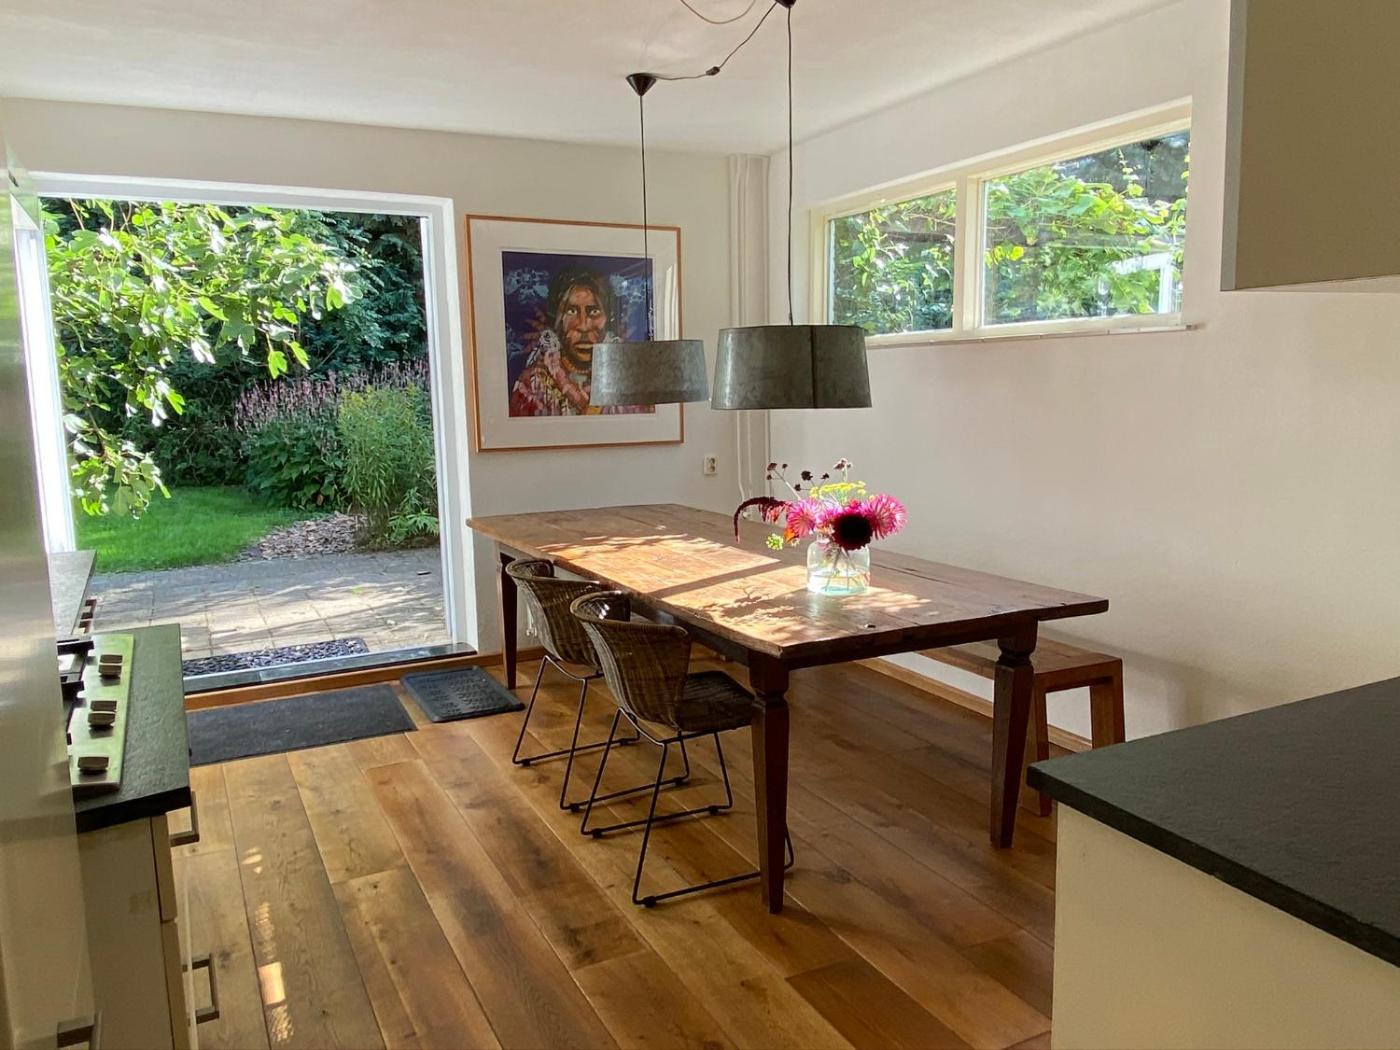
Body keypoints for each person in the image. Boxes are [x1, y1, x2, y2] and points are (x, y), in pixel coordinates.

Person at [509, 266, 645, 416]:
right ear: (556, 320)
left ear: (608, 318)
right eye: (571, 311)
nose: (583, 326)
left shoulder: (629, 381)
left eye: (594, 311)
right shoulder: (533, 385)